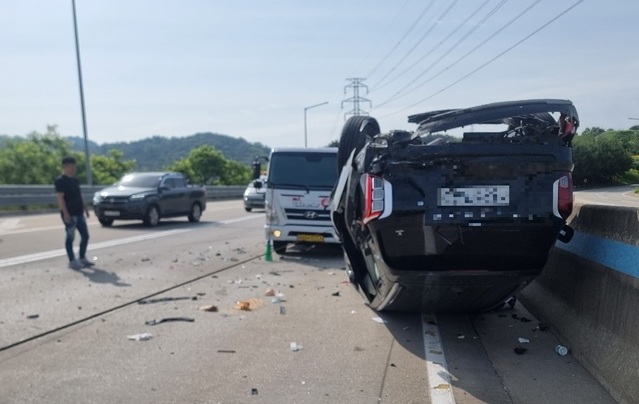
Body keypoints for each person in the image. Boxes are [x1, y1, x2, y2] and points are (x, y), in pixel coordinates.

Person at [54, 156, 94, 270]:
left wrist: (85, 209)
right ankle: (72, 260)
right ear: (65, 166)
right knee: (70, 237)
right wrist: (65, 213)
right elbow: (60, 198)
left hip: (79, 213)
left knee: (85, 236)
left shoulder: (75, 180)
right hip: (69, 214)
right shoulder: (60, 181)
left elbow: (80, 195)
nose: (73, 168)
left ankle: (82, 258)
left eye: (74, 166)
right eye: (71, 166)